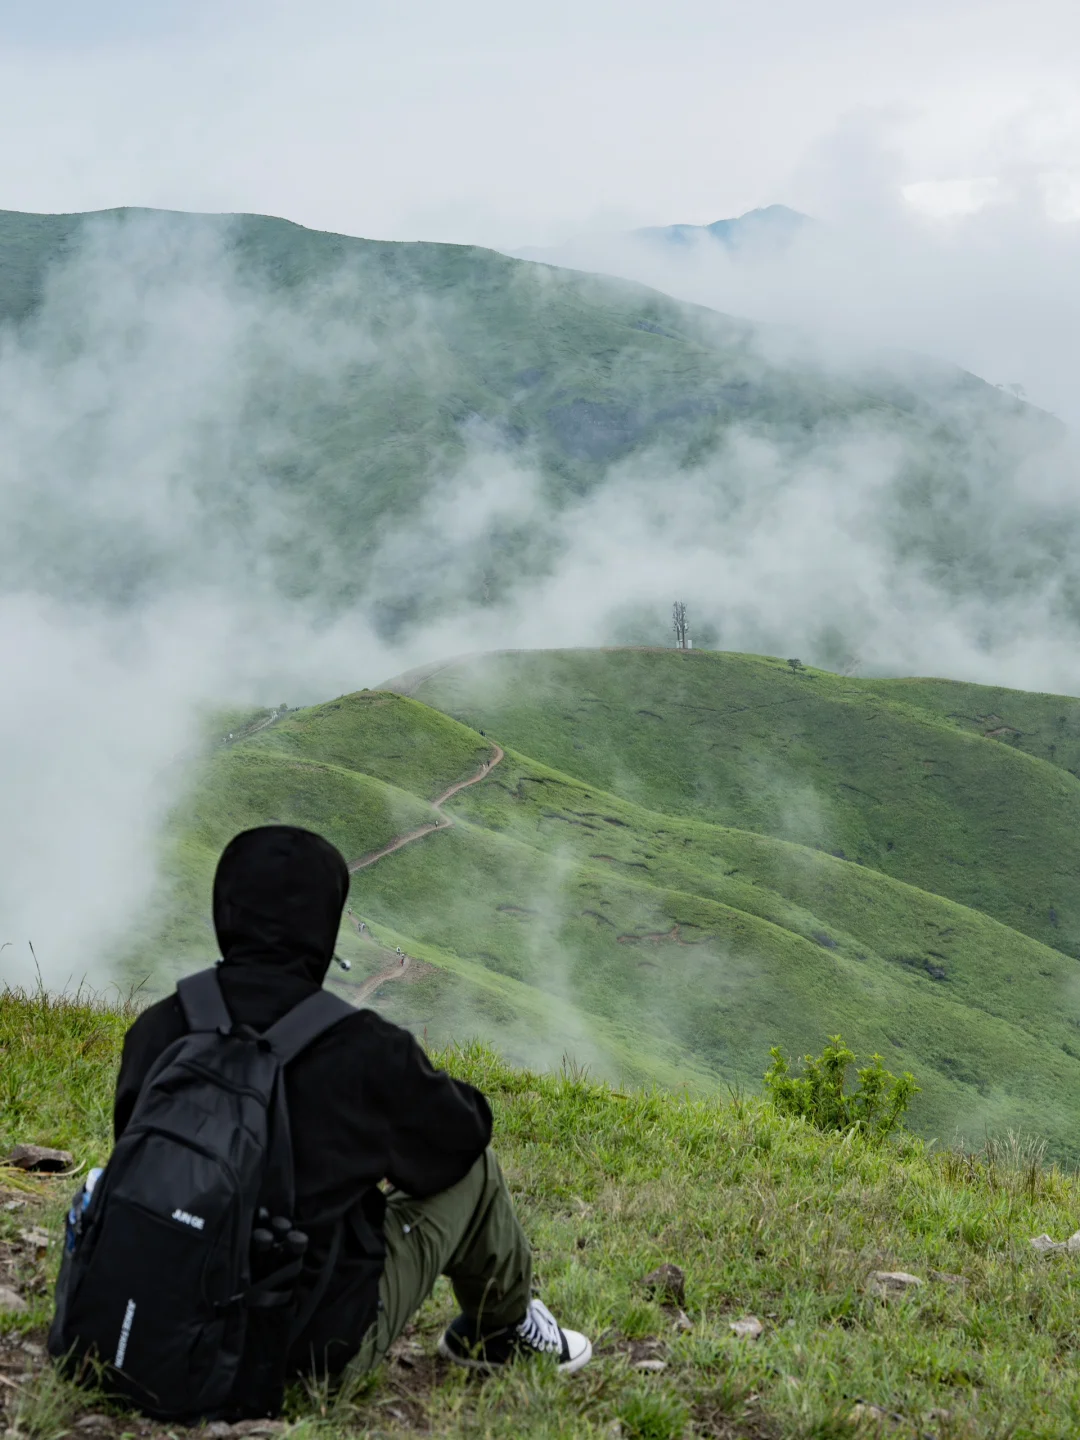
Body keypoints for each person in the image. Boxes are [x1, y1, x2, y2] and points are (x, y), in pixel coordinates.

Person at [113, 825, 591, 1383]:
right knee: (474, 1172)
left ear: (225, 908)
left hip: (144, 1318)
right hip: (300, 1355)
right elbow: (465, 1136)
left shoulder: (157, 1028)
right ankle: (503, 1333)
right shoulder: (362, 1048)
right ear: (325, 923)